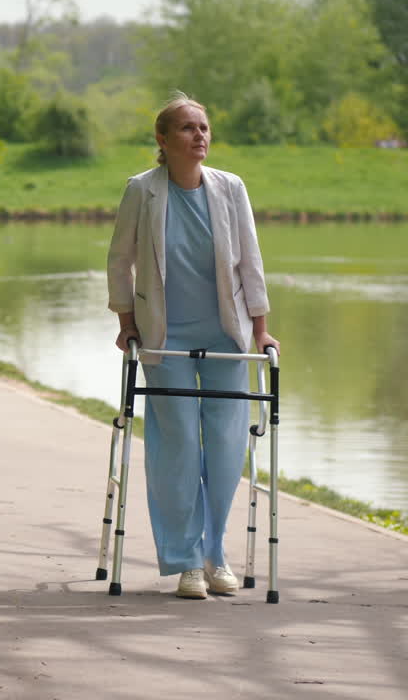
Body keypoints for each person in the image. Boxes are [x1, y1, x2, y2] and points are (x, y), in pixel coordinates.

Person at [105, 92, 279, 600]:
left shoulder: (231, 189)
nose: (198, 136)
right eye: (186, 128)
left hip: (227, 333)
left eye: (203, 127)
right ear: (163, 140)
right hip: (166, 335)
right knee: (178, 442)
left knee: (225, 445)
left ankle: (215, 554)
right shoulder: (143, 191)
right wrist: (126, 321)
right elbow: (120, 261)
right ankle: (186, 562)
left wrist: (261, 329)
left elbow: (251, 262)